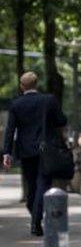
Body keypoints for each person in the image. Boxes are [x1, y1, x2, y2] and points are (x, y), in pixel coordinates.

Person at [2, 72, 68, 236]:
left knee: (32, 187)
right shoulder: (49, 100)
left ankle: (35, 219)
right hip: (46, 150)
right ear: (36, 84)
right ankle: (36, 221)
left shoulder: (16, 104)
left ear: (21, 86)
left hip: (26, 151)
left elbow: (10, 130)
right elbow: (62, 120)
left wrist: (7, 153)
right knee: (43, 185)